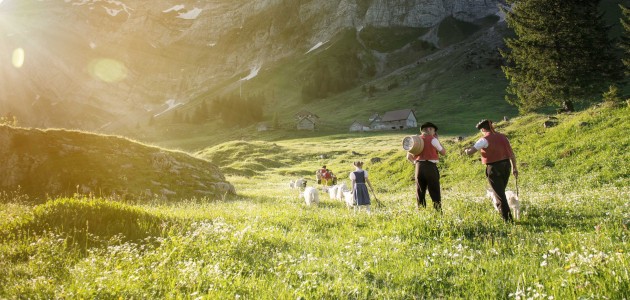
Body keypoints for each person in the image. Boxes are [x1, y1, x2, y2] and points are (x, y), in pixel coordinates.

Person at [464, 119, 518, 223]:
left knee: (500, 194)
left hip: (494, 168)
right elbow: (511, 154)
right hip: (506, 166)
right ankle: (501, 210)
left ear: (483, 129)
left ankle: (507, 219)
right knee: (500, 192)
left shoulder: (484, 140)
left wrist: (466, 150)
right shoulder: (503, 137)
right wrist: (514, 168)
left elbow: (471, 152)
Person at [406, 122, 447, 212]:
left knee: (420, 191)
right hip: (430, 167)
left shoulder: (415, 140)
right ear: (429, 129)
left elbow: (408, 157)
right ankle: (438, 212)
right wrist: (437, 140)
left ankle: (421, 212)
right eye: (433, 131)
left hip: (418, 167)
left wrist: (416, 163)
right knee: (434, 190)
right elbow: (443, 152)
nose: (434, 133)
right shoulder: (433, 139)